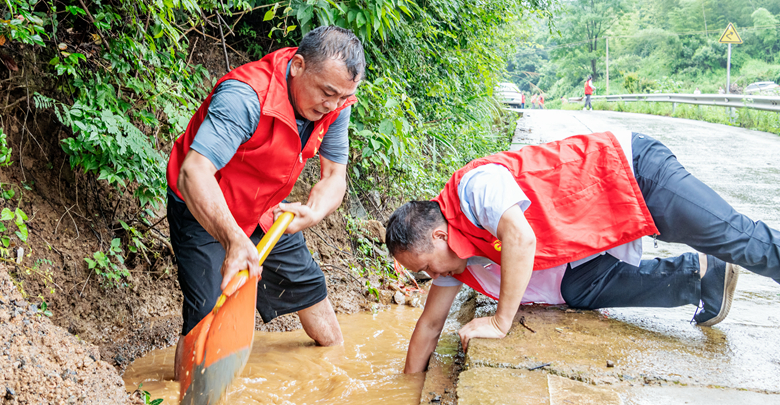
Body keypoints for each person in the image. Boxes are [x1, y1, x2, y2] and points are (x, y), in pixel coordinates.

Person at [385, 131, 780, 374]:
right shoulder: (456, 260)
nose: (431, 276)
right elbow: (429, 325)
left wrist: (501, 323)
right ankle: (700, 276)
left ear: (439, 236)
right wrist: (407, 386)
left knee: (738, 238)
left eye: (425, 268)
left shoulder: (475, 189)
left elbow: (521, 239)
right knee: (576, 288)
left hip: (633, 172)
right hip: (595, 229)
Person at [166, 26, 365, 378]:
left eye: (342, 97)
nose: (333, 105)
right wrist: (232, 239)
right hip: (206, 206)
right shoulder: (245, 96)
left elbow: (335, 175)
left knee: (311, 289)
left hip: (265, 208)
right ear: (299, 65)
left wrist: (315, 211)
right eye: (327, 93)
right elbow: (193, 173)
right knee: (206, 315)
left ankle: (336, 382)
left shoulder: (337, 103)